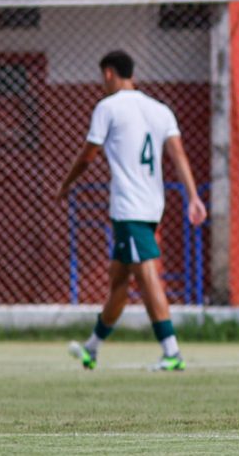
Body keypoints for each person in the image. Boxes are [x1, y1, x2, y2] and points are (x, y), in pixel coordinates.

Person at [57, 50, 207, 371]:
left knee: (146, 274)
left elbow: (87, 155)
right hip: (153, 205)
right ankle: (91, 349)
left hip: (129, 206)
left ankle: (171, 351)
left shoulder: (107, 107)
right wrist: (193, 196)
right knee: (119, 281)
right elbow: (178, 154)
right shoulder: (159, 109)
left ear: (109, 73)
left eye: (103, 77)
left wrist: (66, 184)